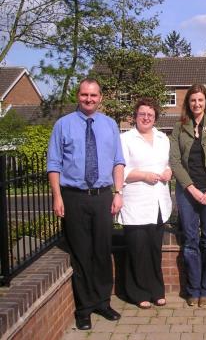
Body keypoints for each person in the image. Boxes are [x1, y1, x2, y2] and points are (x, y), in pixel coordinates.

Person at [47, 78, 125, 330]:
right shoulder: (63, 125)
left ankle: (103, 301)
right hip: (74, 197)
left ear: (100, 97)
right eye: (84, 95)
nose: (88, 99)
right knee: (81, 254)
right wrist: (57, 196)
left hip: (103, 195)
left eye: (93, 95)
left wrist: (118, 192)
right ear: (77, 96)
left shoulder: (110, 125)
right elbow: (54, 164)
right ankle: (84, 308)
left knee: (102, 251)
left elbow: (118, 162)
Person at [169, 84, 206, 308]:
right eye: (193, 100)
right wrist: (191, 188)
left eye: (200, 100)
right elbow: (174, 161)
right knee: (191, 242)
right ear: (188, 103)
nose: (197, 104)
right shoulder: (178, 127)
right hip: (187, 192)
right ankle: (193, 290)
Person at [118, 98, 172, 309]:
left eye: (150, 114)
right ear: (135, 116)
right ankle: (138, 292)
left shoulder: (162, 138)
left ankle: (157, 291)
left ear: (155, 117)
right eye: (142, 114)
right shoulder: (126, 139)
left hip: (158, 203)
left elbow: (168, 163)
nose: (146, 117)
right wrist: (142, 175)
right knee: (137, 250)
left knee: (154, 249)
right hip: (135, 202)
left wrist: (168, 171)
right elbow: (120, 168)